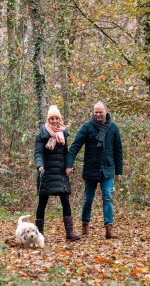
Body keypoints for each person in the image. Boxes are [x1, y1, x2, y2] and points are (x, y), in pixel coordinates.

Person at [65, 101, 123, 239]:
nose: (97, 114)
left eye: (100, 112)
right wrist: (69, 164)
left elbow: (118, 151)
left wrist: (119, 171)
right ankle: (85, 225)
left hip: (107, 169)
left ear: (106, 111)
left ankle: (109, 228)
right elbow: (75, 146)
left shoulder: (113, 128)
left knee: (107, 197)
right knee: (88, 199)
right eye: (95, 112)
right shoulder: (87, 127)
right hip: (91, 169)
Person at [34, 105, 80, 241]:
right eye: (52, 118)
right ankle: (39, 234)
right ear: (48, 119)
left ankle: (69, 232)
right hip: (46, 173)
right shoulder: (41, 135)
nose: (54, 121)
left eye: (56, 118)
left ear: (60, 119)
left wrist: (69, 166)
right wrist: (40, 166)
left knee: (65, 201)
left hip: (60, 173)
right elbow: (38, 153)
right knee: (42, 203)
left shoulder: (63, 134)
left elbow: (66, 153)